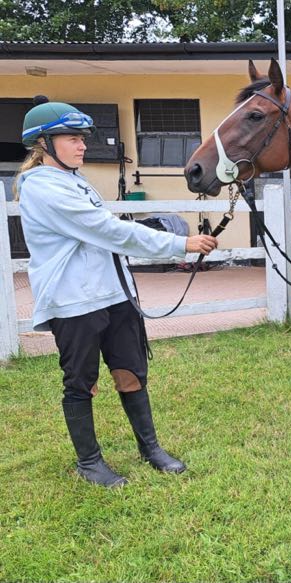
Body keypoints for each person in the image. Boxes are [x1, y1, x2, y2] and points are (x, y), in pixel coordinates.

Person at [15, 96, 218, 488]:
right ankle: (89, 462)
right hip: (75, 301)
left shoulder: (75, 181)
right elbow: (106, 230)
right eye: (72, 138)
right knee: (81, 382)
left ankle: (150, 448)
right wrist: (180, 244)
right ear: (43, 143)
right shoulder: (42, 188)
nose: (83, 145)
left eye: (82, 138)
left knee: (131, 372)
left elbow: (107, 233)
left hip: (113, 294)